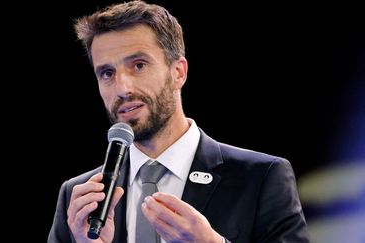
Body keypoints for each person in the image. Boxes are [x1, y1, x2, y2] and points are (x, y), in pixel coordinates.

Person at [48, 1, 310, 242]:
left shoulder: (259, 177)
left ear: (178, 72)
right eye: (107, 73)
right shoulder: (79, 197)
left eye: (138, 65)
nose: (123, 88)